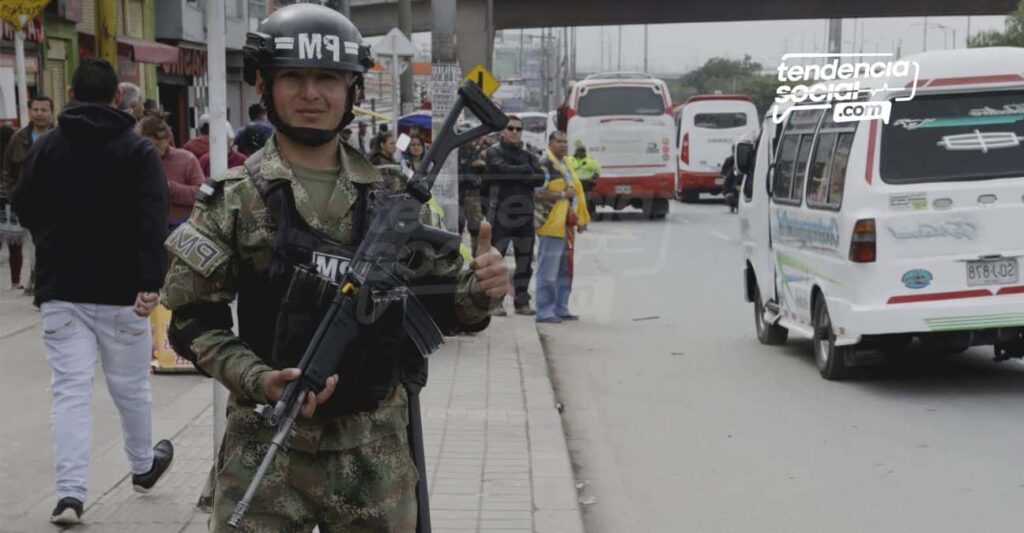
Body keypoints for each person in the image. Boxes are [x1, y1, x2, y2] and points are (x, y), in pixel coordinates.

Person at [159, 5, 507, 530]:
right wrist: (259, 378)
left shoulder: (395, 193)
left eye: (327, 78)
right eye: (292, 78)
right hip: (266, 449)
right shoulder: (234, 198)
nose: (311, 94)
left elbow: (445, 308)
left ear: (352, 91)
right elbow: (191, 322)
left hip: (375, 453)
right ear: (263, 85)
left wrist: (482, 289)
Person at [11, 58, 173, 526]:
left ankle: (70, 494)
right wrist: (150, 281)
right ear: (116, 98)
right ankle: (142, 466)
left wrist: (51, 237)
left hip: (63, 290)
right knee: (130, 388)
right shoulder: (137, 150)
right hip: (125, 292)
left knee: (69, 393)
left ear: (72, 95)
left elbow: (23, 202)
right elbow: (151, 218)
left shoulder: (49, 148)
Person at [484, 115, 543, 316]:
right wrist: (526, 172)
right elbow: (503, 171)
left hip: (525, 214)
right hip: (501, 213)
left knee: (525, 259)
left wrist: (521, 173)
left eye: (518, 129)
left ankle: (521, 300)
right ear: (503, 130)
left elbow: (540, 177)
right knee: (496, 260)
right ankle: (495, 301)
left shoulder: (529, 154)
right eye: (511, 128)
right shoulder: (493, 152)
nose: (515, 132)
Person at [534, 131, 590, 323]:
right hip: (551, 224)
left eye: (565, 142)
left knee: (564, 271)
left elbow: (577, 193)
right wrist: (562, 195)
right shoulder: (544, 164)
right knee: (547, 272)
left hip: (567, 225)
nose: (563, 145)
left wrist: (581, 219)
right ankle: (544, 311)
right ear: (549, 143)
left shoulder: (567, 164)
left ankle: (561, 307)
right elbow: (537, 194)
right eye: (558, 141)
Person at [3, 95, 55, 294]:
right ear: (29, 111)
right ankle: (37, 281)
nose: (40, 114)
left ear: (51, 112)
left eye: (44, 110)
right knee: (34, 245)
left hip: (56, 203)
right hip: (28, 202)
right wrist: (13, 196)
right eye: (36, 110)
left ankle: (40, 282)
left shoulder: (61, 136)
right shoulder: (18, 139)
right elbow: (7, 171)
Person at [138, 116, 205, 230]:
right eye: (147, 145)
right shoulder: (136, 161)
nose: (152, 150)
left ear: (168, 139)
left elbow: (203, 195)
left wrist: (171, 188)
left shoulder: (187, 159)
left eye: (157, 145)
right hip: (148, 227)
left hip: (181, 228)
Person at [568, 140, 601, 214]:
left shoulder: (590, 160)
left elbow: (598, 171)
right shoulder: (570, 159)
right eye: (579, 151)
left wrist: (592, 178)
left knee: (586, 201)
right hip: (573, 184)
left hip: (587, 184)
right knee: (572, 200)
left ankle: (587, 213)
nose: (581, 153)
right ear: (576, 151)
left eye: (583, 151)